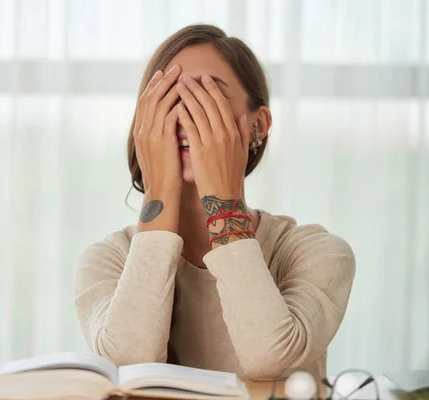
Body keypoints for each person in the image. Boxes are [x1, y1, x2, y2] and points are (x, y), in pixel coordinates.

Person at [74, 24, 355, 381]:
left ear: (259, 125)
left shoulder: (317, 254)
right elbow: (130, 363)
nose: (183, 117)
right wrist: (159, 191)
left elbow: (268, 358)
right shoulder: (106, 261)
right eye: (167, 98)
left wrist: (223, 202)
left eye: (206, 97)